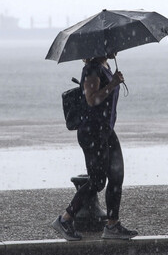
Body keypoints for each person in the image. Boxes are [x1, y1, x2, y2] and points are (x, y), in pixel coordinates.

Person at [51, 53, 138, 240]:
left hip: (105, 130)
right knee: (98, 181)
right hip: (92, 131)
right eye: (111, 45)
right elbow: (92, 100)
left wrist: (113, 80)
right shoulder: (92, 69)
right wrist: (113, 84)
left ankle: (112, 225)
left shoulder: (104, 66)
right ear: (100, 47)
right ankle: (65, 219)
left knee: (117, 176)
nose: (116, 48)